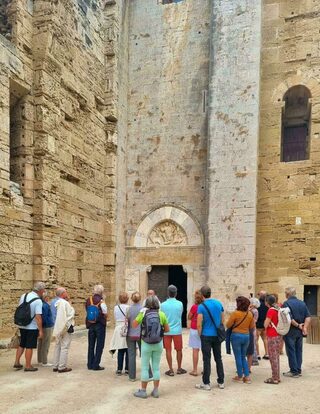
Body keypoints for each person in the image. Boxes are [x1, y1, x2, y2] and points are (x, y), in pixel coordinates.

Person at [132, 295, 170, 398]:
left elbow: (134, 325)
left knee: (144, 367)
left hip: (146, 343)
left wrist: (141, 314)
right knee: (156, 367)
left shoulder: (143, 314)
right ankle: (156, 391)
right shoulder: (161, 314)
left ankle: (143, 391)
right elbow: (167, 330)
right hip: (158, 343)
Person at [196, 285, 225, 390]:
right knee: (218, 358)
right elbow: (222, 319)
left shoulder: (201, 306)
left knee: (206, 359)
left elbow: (199, 324)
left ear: (202, 295)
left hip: (206, 335)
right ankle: (221, 381)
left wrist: (200, 334)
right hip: (217, 335)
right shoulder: (218, 303)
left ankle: (206, 383)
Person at [13, 282, 46, 372]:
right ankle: (28, 366)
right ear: (41, 290)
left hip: (22, 324)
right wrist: (41, 330)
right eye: (44, 290)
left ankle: (17, 362)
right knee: (29, 346)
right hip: (31, 326)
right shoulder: (38, 300)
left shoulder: (24, 295)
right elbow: (38, 317)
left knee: (22, 344)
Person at [282, 287, 311, 378]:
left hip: (291, 330)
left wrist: (298, 325)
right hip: (300, 331)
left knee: (291, 350)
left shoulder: (286, 303)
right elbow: (308, 317)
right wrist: (304, 328)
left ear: (288, 294)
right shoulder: (302, 303)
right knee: (299, 350)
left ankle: (294, 371)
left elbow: (289, 318)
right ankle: (298, 369)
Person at [226, 296, 254, 384]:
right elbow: (252, 326)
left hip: (236, 336)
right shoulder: (250, 314)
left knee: (238, 356)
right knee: (243, 357)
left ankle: (239, 376)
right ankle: (247, 377)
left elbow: (228, 325)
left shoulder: (235, 313)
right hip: (246, 336)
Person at [161, 285, 186, 376]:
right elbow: (180, 314)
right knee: (179, 349)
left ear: (168, 293)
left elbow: (162, 317)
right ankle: (179, 368)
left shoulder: (162, 305)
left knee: (168, 350)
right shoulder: (180, 304)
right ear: (176, 293)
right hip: (177, 330)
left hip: (166, 331)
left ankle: (170, 369)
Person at [85, 284, 108, 371]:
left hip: (90, 324)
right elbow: (105, 313)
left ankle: (90, 364)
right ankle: (96, 364)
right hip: (100, 325)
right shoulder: (101, 302)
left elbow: (87, 310)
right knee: (99, 345)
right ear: (101, 292)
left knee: (91, 345)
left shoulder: (88, 300)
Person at [52, 288, 75, 373]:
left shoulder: (56, 302)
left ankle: (56, 365)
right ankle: (62, 367)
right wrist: (70, 305)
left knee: (57, 346)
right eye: (65, 291)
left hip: (58, 326)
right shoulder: (64, 303)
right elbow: (70, 314)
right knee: (64, 347)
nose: (67, 293)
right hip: (64, 327)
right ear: (62, 293)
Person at [109, 291, 130, 375]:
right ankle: (127, 369)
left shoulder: (116, 308)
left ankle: (119, 369)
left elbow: (115, 317)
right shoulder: (129, 307)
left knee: (120, 349)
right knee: (127, 349)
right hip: (127, 328)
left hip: (118, 328)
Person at [264, 295, 281, 384]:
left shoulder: (270, 310)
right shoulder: (278, 308)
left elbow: (265, 324)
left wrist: (266, 323)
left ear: (267, 302)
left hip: (272, 335)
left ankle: (274, 378)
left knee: (273, 357)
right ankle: (277, 376)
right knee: (276, 356)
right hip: (278, 334)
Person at [127, 291, 143, 381]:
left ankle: (132, 376)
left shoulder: (128, 309)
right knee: (144, 354)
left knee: (131, 355)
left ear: (132, 299)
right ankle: (148, 373)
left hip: (130, 334)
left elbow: (127, 321)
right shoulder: (143, 309)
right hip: (140, 334)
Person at [188, 290, 203, 376]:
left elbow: (189, 317)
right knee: (205, 350)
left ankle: (195, 370)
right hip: (204, 329)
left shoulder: (194, 307)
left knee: (195, 350)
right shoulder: (205, 306)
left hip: (194, 328)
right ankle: (205, 369)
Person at [37, 292, 54, 367]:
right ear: (45, 297)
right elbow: (44, 317)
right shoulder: (45, 305)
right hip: (47, 326)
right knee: (46, 344)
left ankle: (40, 360)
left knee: (40, 343)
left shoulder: (40, 304)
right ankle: (44, 361)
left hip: (42, 326)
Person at [247, 297, 260, 370]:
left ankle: (254, 359)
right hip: (252, 328)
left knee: (253, 344)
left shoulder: (254, 311)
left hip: (252, 328)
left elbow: (254, 320)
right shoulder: (253, 310)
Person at [256, 290, 269, 360]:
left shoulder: (257, 304)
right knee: (265, 339)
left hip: (257, 324)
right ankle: (267, 354)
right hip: (265, 324)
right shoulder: (268, 304)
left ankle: (258, 355)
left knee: (256, 340)